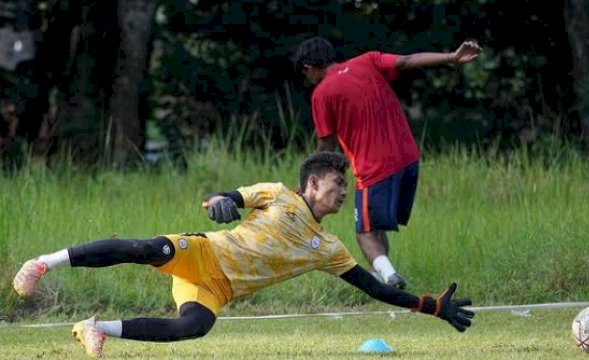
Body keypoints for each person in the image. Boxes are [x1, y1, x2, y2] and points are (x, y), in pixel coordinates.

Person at [13, 152, 474, 358]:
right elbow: (223, 196)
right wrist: (221, 203)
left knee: (194, 328)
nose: (341, 196)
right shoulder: (275, 194)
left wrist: (428, 305)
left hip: (219, 288)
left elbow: (373, 287)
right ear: (312, 183)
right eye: (337, 187)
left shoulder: (330, 249)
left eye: (343, 189)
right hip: (203, 254)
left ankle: (94, 329)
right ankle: (43, 263)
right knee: (146, 248)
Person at [293, 37, 482, 289]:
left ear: (308, 67)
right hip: (409, 159)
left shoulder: (322, 94)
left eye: (306, 76)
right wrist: (451, 56)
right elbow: (406, 60)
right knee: (376, 227)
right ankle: (382, 278)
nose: (308, 82)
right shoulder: (367, 60)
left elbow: (326, 144)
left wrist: (308, 183)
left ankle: (390, 279)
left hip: (374, 169)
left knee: (365, 233)